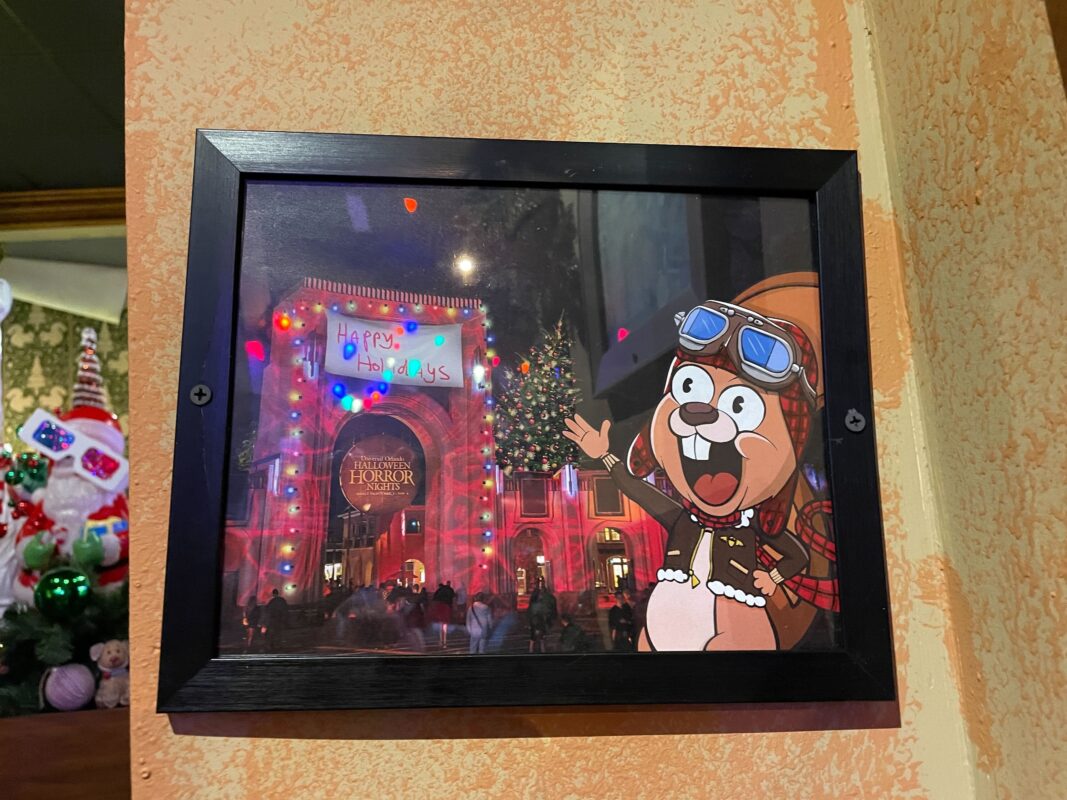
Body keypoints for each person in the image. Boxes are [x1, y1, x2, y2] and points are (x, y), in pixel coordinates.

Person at [527, 579, 556, 653]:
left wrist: (529, 622)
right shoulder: (541, 603)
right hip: (540, 621)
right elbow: (546, 611)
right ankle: (542, 650)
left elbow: (529, 612)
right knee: (541, 637)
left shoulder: (533, 604)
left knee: (533, 637)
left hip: (534, 621)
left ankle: (531, 650)